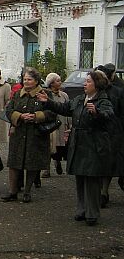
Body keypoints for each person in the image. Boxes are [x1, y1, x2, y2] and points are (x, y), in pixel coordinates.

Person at [37, 70, 115, 225]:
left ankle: (92, 213)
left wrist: (96, 113)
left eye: (88, 81)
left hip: (94, 144)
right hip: (78, 142)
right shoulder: (80, 99)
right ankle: (82, 209)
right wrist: (48, 102)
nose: (84, 84)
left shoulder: (103, 100)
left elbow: (109, 116)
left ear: (97, 84)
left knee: (92, 179)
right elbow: (65, 108)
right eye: (85, 81)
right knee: (80, 176)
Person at [1, 67, 57, 203]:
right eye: (24, 79)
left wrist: (36, 116)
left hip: (35, 134)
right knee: (14, 162)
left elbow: (52, 113)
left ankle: (27, 191)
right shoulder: (17, 94)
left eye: (29, 79)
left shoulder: (45, 94)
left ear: (36, 81)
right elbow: (8, 110)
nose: (26, 82)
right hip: (19, 133)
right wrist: (19, 116)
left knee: (32, 163)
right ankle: (12, 191)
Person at [95, 64, 124, 207]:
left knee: (109, 163)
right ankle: (100, 192)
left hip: (113, 133)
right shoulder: (94, 93)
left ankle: (103, 192)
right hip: (98, 133)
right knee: (102, 163)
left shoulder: (118, 92)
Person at [45, 73, 71, 176]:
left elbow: (68, 110)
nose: (60, 82)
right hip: (51, 125)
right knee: (48, 146)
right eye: (58, 81)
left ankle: (57, 162)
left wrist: (69, 124)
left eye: (60, 80)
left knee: (60, 147)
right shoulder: (46, 95)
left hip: (61, 124)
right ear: (51, 83)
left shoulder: (64, 95)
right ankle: (46, 169)